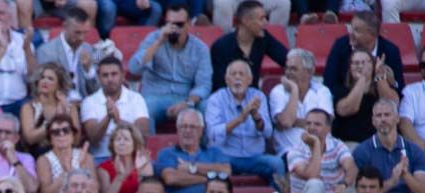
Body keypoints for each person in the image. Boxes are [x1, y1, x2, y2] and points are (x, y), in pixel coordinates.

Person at [128, 2, 212, 132]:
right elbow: (134, 68)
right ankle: (148, 151)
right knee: (143, 109)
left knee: (207, 107)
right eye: (169, 24)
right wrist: (159, 42)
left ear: (189, 24)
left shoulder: (200, 48)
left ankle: (202, 151)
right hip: (155, 96)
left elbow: (204, 84)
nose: (174, 28)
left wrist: (188, 103)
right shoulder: (154, 39)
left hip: (185, 97)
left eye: (179, 24)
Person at [351, 99, 425, 193]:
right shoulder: (362, 151)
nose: (383, 119)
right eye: (378, 115)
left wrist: (406, 176)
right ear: (373, 121)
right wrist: (392, 181)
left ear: (397, 119)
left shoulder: (414, 150)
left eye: (387, 115)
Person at [205, 60, 285, 186]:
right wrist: (240, 119)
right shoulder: (216, 99)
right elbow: (213, 134)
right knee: (212, 163)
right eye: (233, 74)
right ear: (227, 80)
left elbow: (268, 132)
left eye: (241, 74)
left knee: (277, 164)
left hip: (254, 156)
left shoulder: (258, 97)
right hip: (226, 156)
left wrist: (256, 117)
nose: (237, 77)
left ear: (249, 79)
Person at [287, 108, 355, 193]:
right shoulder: (295, 151)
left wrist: (343, 184)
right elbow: (313, 175)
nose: (311, 127)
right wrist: (316, 145)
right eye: (308, 123)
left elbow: (351, 167)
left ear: (328, 129)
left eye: (317, 124)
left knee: (352, 190)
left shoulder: (337, 145)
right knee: (315, 184)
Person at [157, 109, 233, 193]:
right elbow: (171, 178)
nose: (188, 130)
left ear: (201, 131)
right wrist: (208, 178)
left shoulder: (214, 152)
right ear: (177, 130)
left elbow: (226, 171)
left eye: (193, 127)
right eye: (183, 126)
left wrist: (192, 167)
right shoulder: (167, 153)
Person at [323, 12, 404, 110]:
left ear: (372, 35)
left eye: (356, 30)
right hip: (347, 103)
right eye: (351, 28)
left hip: (380, 107)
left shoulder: (390, 51)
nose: (350, 33)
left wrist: (381, 77)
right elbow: (329, 83)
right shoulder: (341, 46)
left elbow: (398, 88)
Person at [81, 57, 149, 163]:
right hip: (100, 158)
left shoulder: (136, 98)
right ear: (98, 77)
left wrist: (118, 120)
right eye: (105, 75)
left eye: (114, 74)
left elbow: (143, 134)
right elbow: (93, 139)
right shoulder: (89, 102)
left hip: (131, 156)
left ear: (122, 75)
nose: (110, 79)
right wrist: (108, 117)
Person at [209, 0, 286, 93]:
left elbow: (286, 58)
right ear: (246, 21)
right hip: (226, 100)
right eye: (261, 19)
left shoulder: (263, 38)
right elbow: (219, 85)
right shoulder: (221, 47)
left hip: (254, 97)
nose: (266, 23)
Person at [270, 48, 334, 159]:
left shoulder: (322, 91)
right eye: (287, 68)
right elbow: (286, 122)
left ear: (309, 72)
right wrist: (294, 90)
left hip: (320, 150)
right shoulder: (278, 91)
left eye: (294, 69)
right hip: (289, 152)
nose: (288, 73)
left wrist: (295, 122)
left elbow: (325, 125)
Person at [36, 113, 95, 193]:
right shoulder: (44, 160)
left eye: (66, 130)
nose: (61, 134)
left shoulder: (85, 156)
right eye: (56, 132)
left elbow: (94, 192)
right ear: (50, 138)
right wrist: (66, 173)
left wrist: (81, 166)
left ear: (73, 135)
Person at [332, 49, 398, 147]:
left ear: (373, 65)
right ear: (350, 67)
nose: (360, 66)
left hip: (380, 144)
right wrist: (363, 79)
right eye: (356, 63)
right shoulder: (341, 91)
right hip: (350, 144)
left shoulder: (383, 87)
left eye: (365, 62)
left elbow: (392, 105)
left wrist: (379, 76)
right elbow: (348, 109)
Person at [34, 7, 98, 103]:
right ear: (65, 26)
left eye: (85, 33)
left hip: (85, 103)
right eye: (77, 33)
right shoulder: (46, 51)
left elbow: (96, 91)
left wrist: (88, 71)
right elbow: (43, 89)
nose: (81, 38)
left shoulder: (89, 49)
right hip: (58, 104)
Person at [20, 63, 79, 158]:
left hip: (66, 154)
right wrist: (55, 119)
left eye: (50, 79)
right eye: (42, 78)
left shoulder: (70, 107)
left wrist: (66, 114)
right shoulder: (29, 107)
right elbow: (30, 138)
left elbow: (76, 140)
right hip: (37, 155)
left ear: (59, 85)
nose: (44, 81)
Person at [98, 122, 153, 193]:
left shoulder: (144, 163)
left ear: (135, 144)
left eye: (126, 139)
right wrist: (119, 177)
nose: (121, 143)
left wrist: (140, 172)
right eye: (118, 139)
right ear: (112, 144)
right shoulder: (104, 168)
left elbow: (150, 192)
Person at [400, 46, 425, 161]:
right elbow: (404, 123)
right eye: (423, 65)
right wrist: (420, 143)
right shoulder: (411, 91)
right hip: (423, 150)